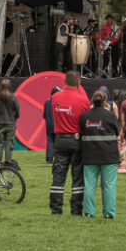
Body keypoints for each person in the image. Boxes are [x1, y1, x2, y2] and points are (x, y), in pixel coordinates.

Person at [50, 71, 90, 215]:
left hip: (60, 139)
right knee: (78, 176)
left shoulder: (55, 97)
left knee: (58, 175)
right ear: (79, 83)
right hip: (77, 140)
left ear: (64, 82)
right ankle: (76, 209)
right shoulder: (84, 100)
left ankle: (56, 209)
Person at [0, 79, 20, 164]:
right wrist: (13, 118)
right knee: (9, 144)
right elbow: (18, 111)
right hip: (11, 124)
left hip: (0, 124)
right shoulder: (13, 98)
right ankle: (8, 163)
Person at [43, 87, 61, 164]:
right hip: (58, 125)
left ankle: (49, 160)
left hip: (49, 125)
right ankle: (58, 159)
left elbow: (44, 115)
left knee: (50, 142)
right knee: (58, 143)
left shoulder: (47, 102)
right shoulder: (59, 101)